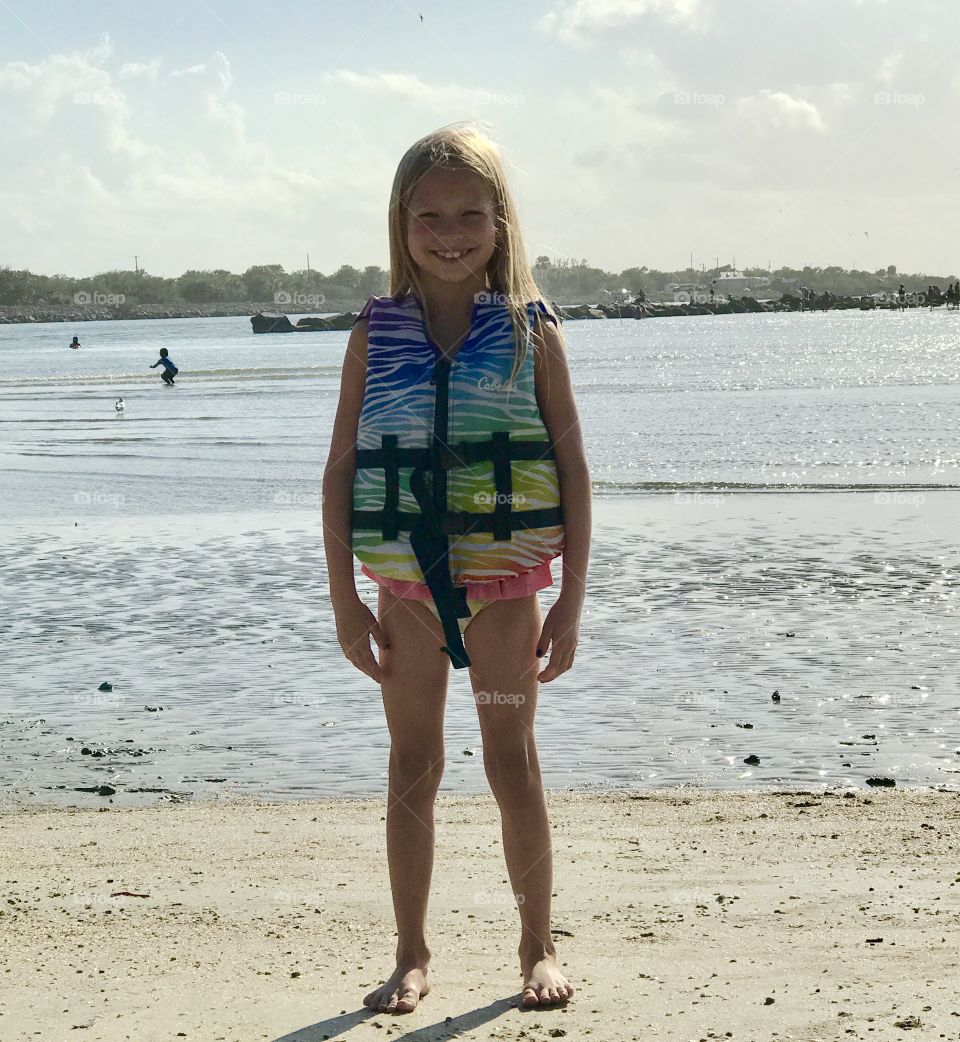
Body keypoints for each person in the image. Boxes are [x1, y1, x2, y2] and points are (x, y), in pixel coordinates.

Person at [322, 124, 590, 1015]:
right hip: (405, 594)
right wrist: (344, 604)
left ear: (501, 220)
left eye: (469, 213)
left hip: (507, 589)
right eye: (428, 214)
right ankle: (410, 951)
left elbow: (574, 472)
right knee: (414, 762)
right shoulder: (374, 332)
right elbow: (340, 471)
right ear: (400, 224)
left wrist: (573, 604)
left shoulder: (530, 329)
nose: (449, 231)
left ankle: (537, 945)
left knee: (511, 758)